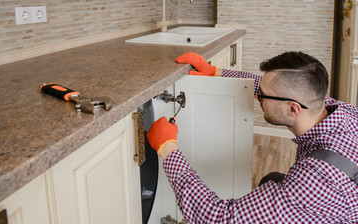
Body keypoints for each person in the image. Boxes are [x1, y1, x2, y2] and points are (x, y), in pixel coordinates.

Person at [146, 51, 358, 223]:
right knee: (271, 180)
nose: (257, 95)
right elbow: (270, 88)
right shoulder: (342, 111)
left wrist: (168, 148)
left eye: (263, 96)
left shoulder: (313, 180)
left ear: (293, 109)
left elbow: (218, 218)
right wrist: (215, 72)